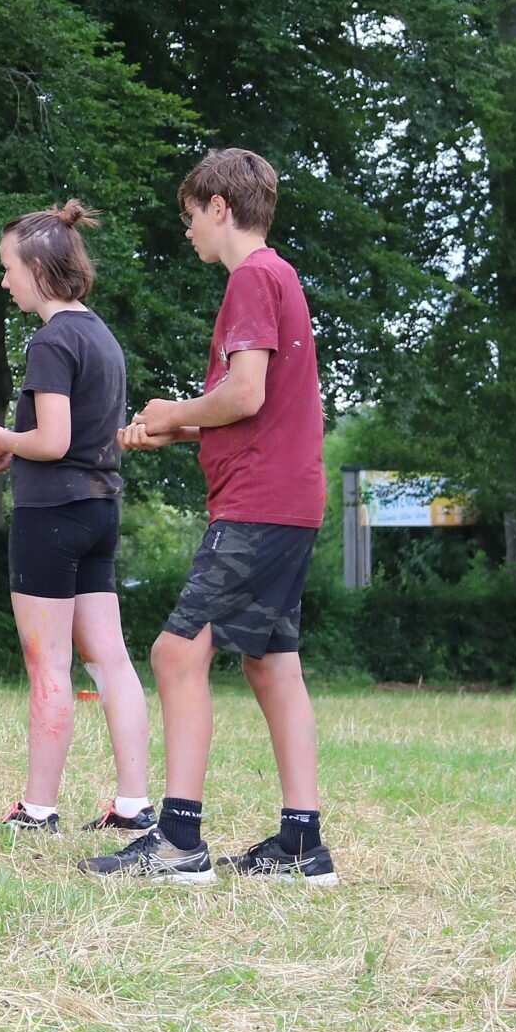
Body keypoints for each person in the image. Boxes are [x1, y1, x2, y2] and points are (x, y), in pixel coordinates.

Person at [86, 148, 336, 884]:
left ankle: (178, 842)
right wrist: (180, 430)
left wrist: (172, 410)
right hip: (290, 499)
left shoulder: (251, 278)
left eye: (191, 215)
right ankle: (301, 844)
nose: (188, 228)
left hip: (258, 502)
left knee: (176, 652)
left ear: (220, 208)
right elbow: (262, 410)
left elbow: (246, 393)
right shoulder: (282, 275)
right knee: (272, 662)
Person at [0, 203, 154, 838]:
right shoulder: (101, 336)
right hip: (100, 510)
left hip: (51, 517)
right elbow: (75, 439)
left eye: (8, 268)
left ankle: (38, 810)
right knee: (111, 661)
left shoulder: (50, 340)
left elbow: (52, 439)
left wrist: (5, 439)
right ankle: (134, 806)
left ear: (40, 269)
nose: (4, 281)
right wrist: (16, 449)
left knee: (47, 665)